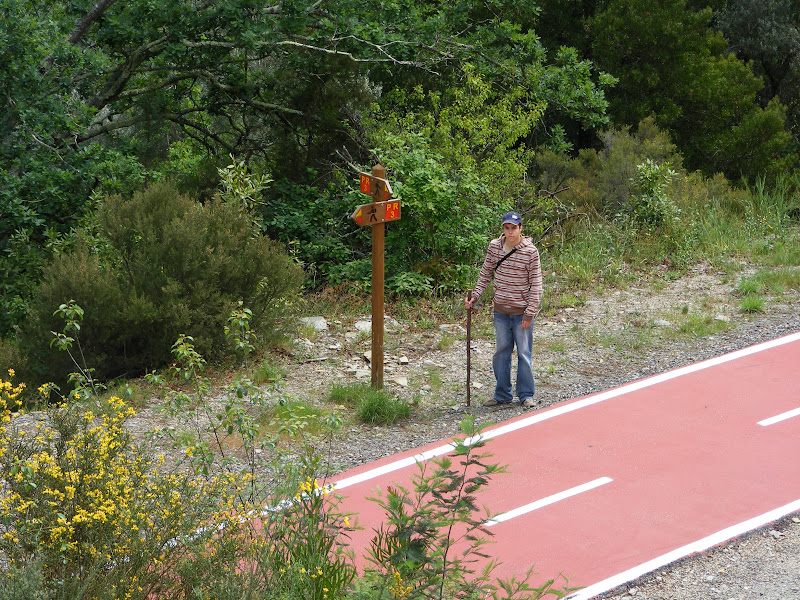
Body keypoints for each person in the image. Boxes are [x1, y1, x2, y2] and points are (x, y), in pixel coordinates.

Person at [465, 211, 543, 408]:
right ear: (503, 229)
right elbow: (486, 273)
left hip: (521, 311)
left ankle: (526, 395)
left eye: (514, 228)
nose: (510, 232)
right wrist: (475, 295)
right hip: (500, 310)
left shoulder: (530, 251)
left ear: (520, 229)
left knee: (523, 353)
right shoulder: (494, 247)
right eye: (507, 228)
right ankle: (502, 394)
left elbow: (536, 283)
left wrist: (530, 312)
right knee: (501, 352)